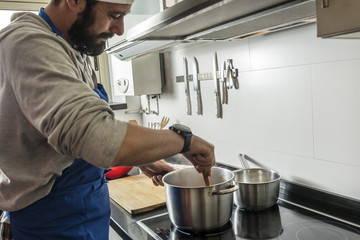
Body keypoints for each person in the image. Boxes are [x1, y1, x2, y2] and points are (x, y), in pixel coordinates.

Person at [0, 0, 216, 239]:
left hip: (82, 213)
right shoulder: (30, 44)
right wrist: (185, 140)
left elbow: (70, 140)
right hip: (52, 224)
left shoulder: (72, 49)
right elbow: (96, 136)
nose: (120, 29)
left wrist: (143, 159)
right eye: (114, 14)